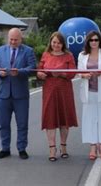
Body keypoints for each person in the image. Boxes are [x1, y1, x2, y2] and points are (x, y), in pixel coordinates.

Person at [0, 28, 36, 160]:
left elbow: (32, 67)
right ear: (8, 38)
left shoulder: (28, 51)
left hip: (20, 94)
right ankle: (5, 148)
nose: (13, 42)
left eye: (16, 39)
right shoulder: (0, 50)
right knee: (3, 124)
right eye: (11, 39)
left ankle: (22, 148)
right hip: (3, 94)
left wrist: (20, 72)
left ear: (21, 39)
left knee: (22, 124)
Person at [37, 32, 77, 161]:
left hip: (64, 90)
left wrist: (60, 73)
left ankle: (63, 146)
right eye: (54, 42)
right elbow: (39, 70)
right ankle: (52, 148)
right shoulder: (46, 54)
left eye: (59, 43)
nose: (56, 45)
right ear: (50, 42)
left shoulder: (68, 56)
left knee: (64, 118)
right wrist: (41, 74)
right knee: (50, 118)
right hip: (49, 90)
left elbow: (72, 73)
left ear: (63, 44)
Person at [77, 31, 101, 160]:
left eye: (96, 40)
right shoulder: (82, 55)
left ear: (100, 41)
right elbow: (79, 71)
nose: (94, 42)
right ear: (88, 42)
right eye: (91, 40)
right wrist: (84, 75)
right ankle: (93, 146)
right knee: (90, 119)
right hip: (89, 91)